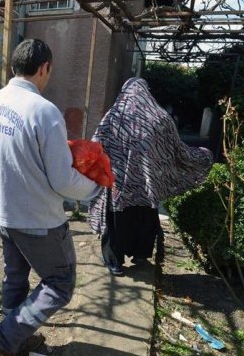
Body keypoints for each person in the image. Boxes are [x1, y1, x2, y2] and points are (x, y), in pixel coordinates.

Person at [0, 39, 101, 356]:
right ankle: (4, 339)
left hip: (4, 210)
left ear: (14, 67)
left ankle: (11, 338)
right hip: (38, 219)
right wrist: (94, 189)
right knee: (60, 284)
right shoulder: (44, 111)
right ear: (44, 68)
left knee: (15, 277)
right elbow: (62, 180)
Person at [88, 77, 213, 276]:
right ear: (147, 92)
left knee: (116, 222)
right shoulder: (161, 118)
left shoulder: (114, 116)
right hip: (148, 186)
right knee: (145, 219)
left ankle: (115, 263)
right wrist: (202, 156)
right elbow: (176, 150)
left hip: (118, 185)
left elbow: (96, 144)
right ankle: (140, 255)